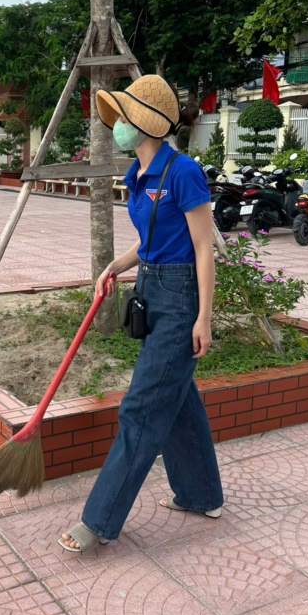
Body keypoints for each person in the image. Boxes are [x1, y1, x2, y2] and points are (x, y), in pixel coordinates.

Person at [60, 75, 223, 552]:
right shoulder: (138, 172)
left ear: (146, 123)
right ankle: (201, 495)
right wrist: (118, 265)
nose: (116, 126)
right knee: (176, 396)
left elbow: (203, 247)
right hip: (151, 287)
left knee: (141, 406)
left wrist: (204, 317)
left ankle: (98, 521)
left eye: (124, 117)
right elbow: (151, 239)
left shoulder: (183, 172)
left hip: (180, 296)